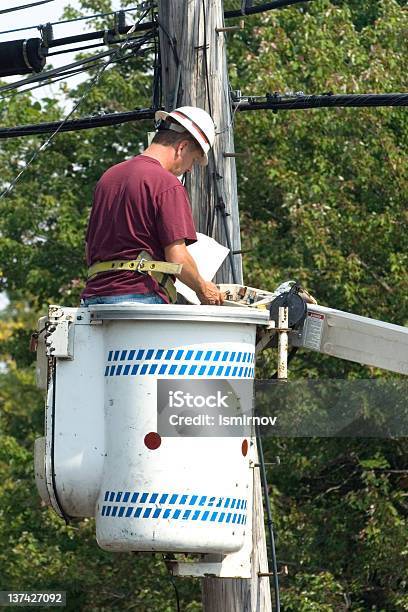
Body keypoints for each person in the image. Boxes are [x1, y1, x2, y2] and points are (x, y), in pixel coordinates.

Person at [81, 106, 224, 307]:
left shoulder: (108, 177)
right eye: (193, 160)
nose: (190, 168)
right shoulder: (167, 183)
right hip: (140, 298)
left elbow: (90, 249)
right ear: (182, 147)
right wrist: (202, 287)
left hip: (93, 301)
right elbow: (177, 257)